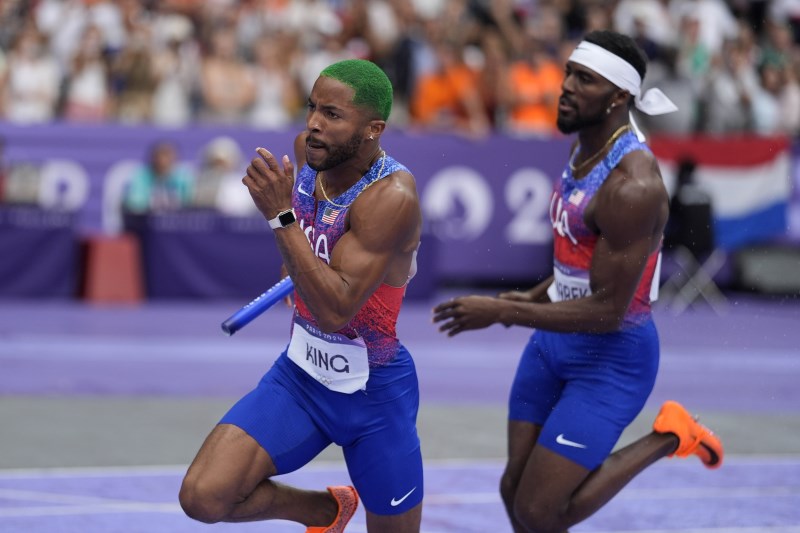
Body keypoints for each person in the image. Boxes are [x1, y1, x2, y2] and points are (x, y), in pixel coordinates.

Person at [432, 30, 724, 533]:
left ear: (618, 97)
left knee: (539, 511)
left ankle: (670, 437)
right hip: (554, 342)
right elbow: (580, 258)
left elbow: (608, 310)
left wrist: (503, 311)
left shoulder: (633, 185)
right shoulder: (584, 147)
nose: (565, 86)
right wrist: (533, 295)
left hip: (611, 358)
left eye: (584, 79)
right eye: (568, 72)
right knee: (513, 491)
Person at [179, 59, 424, 533]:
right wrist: (297, 257)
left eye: (332, 114)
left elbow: (335, 311)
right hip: (301, 375)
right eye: (312, 108)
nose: (313, 123)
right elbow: (307, 250)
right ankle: (325, 512)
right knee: (202, 496)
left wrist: (281, 218)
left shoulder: (391, 196)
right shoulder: (309, 156)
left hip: (373, 392)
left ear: (373, 129)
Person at [124, 140, 193, 213]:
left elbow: (191, 202)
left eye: (167, 156)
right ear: (152, 158)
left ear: (175, 158)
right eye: (159, 156)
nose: (163, 161)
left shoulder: (185, 176)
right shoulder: (141, 176)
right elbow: (135, 203)